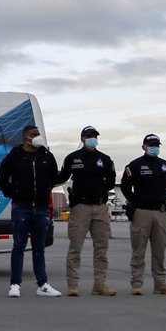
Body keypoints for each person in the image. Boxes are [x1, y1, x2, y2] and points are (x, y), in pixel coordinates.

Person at [0, 124, 62, 298]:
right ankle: (15, 284)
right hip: (21, 207)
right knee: (18, 245)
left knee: (39, 247)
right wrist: (12, 193)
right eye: (34, 134)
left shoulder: (47, 156)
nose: (37, 137)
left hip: (41, 208)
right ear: (25, 137)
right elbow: (3, 176)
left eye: (39, 134)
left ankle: (42, 284)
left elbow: (53, 178)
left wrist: (44, 192)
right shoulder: (14, 156)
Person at [57, 126, 117, 297]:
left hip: (99, 207)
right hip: (80, 207)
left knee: (101, 248)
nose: (93, 139)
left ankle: (100, 285)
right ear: (82, 138)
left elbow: (111, 182)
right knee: (75, 247)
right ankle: (73, 285)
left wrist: (98, 191)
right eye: (89, 136)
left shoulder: (105, 159)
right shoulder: (72, 158)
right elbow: (61, 178)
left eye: (95, 136)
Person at [121, 133, 166, 295]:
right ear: (144, 147)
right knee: (139, 249)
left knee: (160, 249)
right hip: (142, 213)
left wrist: (158, 198)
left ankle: (160, 283)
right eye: (151, 145)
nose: (155, 148)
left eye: (157, 145)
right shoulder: (135, 165)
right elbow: (125, 187)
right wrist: (136, 201)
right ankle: (137, 283)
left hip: (160, 212)